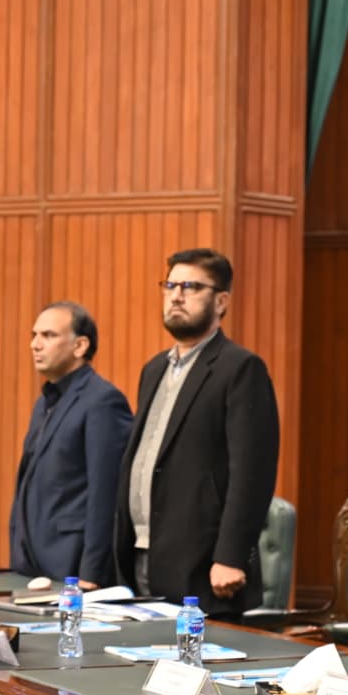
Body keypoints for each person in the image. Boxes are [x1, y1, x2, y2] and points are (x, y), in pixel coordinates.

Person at [114, 249, 279, 621]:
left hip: (204, 567)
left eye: (190, 287)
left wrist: (231, 556)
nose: (176, 296)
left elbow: (252, 472)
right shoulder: (154, 369)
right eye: (170, 285)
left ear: (221, 301)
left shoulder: (240, 368)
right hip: (141, 554)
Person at [9, 302, 132, 588]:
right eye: (34, 335)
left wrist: (92, 572)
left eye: (48, 335)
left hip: (73, 564)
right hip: (32, 562)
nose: (35, 344)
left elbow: (106, 494)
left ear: (80, 346)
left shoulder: (103, 401)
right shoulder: (45, 401)